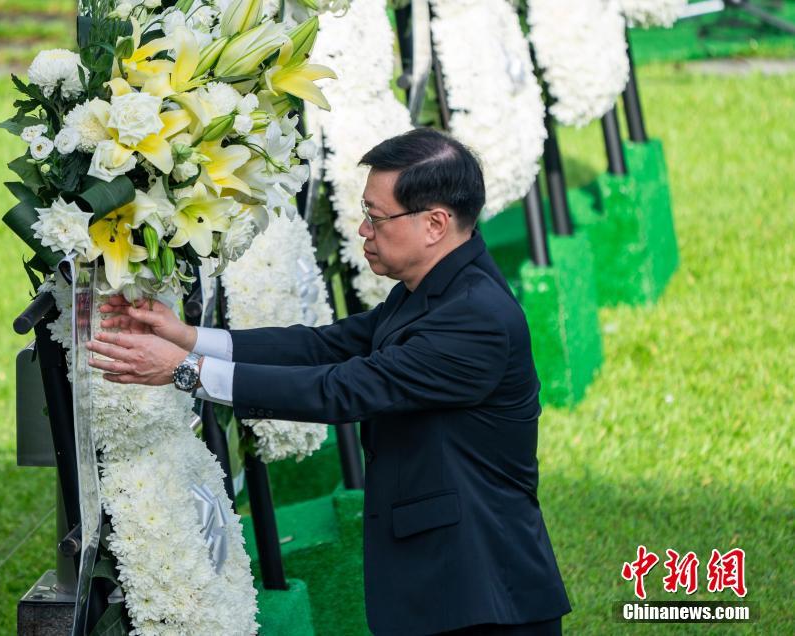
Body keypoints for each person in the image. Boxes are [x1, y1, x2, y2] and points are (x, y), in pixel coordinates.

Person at [86, 128, 571, 635]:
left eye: (376, 217)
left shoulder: (475, 318)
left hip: (484, 593)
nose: (363, 230)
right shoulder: (436, 286)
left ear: (434, 224)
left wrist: (184, 371)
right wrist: (189, 337)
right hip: (451, 578)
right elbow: (326, 346)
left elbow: (341, 389)